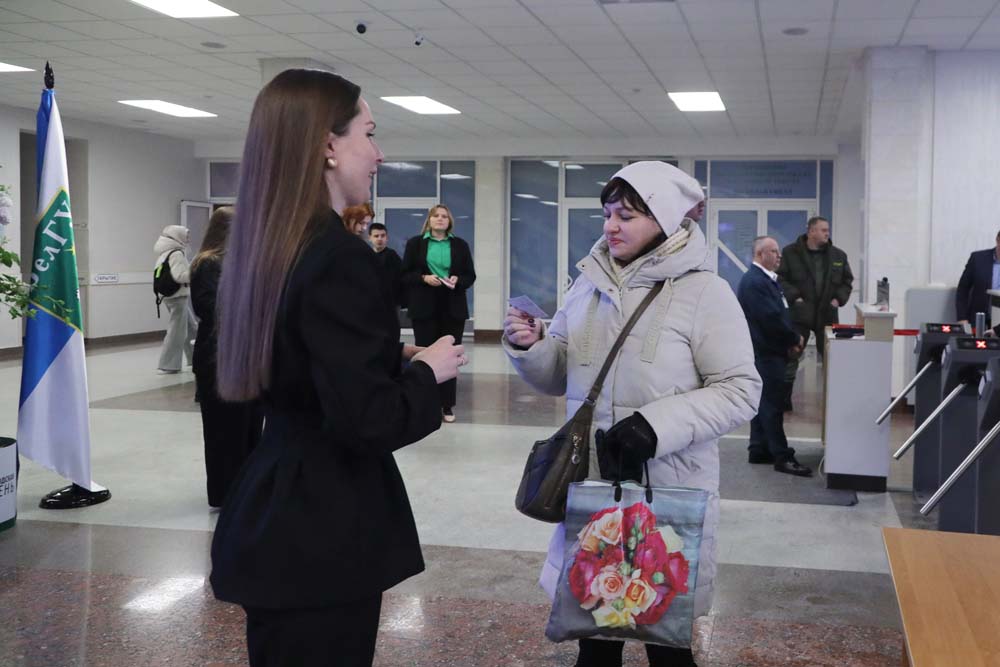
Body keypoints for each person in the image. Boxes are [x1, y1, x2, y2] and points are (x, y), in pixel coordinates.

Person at [208, 69, 467, 667]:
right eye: (368, 134)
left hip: (274, 503)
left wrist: (385, 356)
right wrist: (427, 372)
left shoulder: (268, 247)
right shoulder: (340, 257)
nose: (378, 153)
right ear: (328, 144)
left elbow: (301, 360)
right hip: (321, 524)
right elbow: (369, 420)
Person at [503, 162, 760, 667]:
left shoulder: (705, 292)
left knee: (666, 642)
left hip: (667, 492)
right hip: (596, 488)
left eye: (626, 216)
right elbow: (560, 375)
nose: (611, 226)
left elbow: (740, 389)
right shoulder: (587, 284)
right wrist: (533, 346)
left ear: (663, 218)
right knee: (595, 641)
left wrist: (655, 427)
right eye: (607, 214)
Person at [190, 206, 264, 509]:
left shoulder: (242, 264)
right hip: (218, 359)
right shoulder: (207, 264)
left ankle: (248, 486)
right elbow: (210, 307)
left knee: (249, 425)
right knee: (224, 430)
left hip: (247, 357)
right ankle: (226, 491)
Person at [737, 237, 812, 477]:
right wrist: (793, 338)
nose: (779, 256)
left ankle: (759, 449)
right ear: (760, 254)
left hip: (769, 350)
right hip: (766, 353)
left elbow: (778, 314)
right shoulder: (755, 282)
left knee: (764, 403)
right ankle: (782, 456)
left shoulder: (766, 280)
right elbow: (770, 318)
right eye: (774, 251)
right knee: (772, 406)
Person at [400, 204, 476, 424]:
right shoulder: (416, 244)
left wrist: (457, 280)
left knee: (449, 355)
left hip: (452, 307)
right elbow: (405, 274)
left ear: (449, 221)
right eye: (436, 216)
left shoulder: (460, 245)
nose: (440, 219)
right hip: (424, 306)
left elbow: (470, 275)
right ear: (429, 220)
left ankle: (447, 404)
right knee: (426, 355)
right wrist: (423, 278)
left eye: (444, 216)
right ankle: (426, 403)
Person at [777, 216, 853, 409]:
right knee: (791, 354)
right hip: (800, 314)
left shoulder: (838, 256)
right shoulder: (790, 253)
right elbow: (781, 279)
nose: (827, 233)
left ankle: (834, 401)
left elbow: (847, 281)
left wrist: (838, 300)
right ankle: (783, 400)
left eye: (828, 230)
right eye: (823, 230)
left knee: (831, 357)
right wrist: (795, 297)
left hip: (827, 314)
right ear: (811, 232)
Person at [153, 224, 196, 374]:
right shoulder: (177, 254)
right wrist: (196, 272)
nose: (188, 239)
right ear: (177, 236)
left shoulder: (164, 253)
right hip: (178, 297)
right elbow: (180, 276)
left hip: (170, 296)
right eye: (186, 236)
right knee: (176, 332)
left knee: (191, 328)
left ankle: (196, 358)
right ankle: (167, 365)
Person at [955, 230, 1000, 331]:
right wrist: (962, 318)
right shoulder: (978, 259)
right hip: (978, 319)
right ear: (998, 240)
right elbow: (963, 289)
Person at [368, 222, 403, 310]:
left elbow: (399, 279)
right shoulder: (367, 255)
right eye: (376, 236)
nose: (380, 239)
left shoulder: (392, 255)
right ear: (370, 238)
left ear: (387, 238)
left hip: (390, 302)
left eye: (382, 236)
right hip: (372, 300)